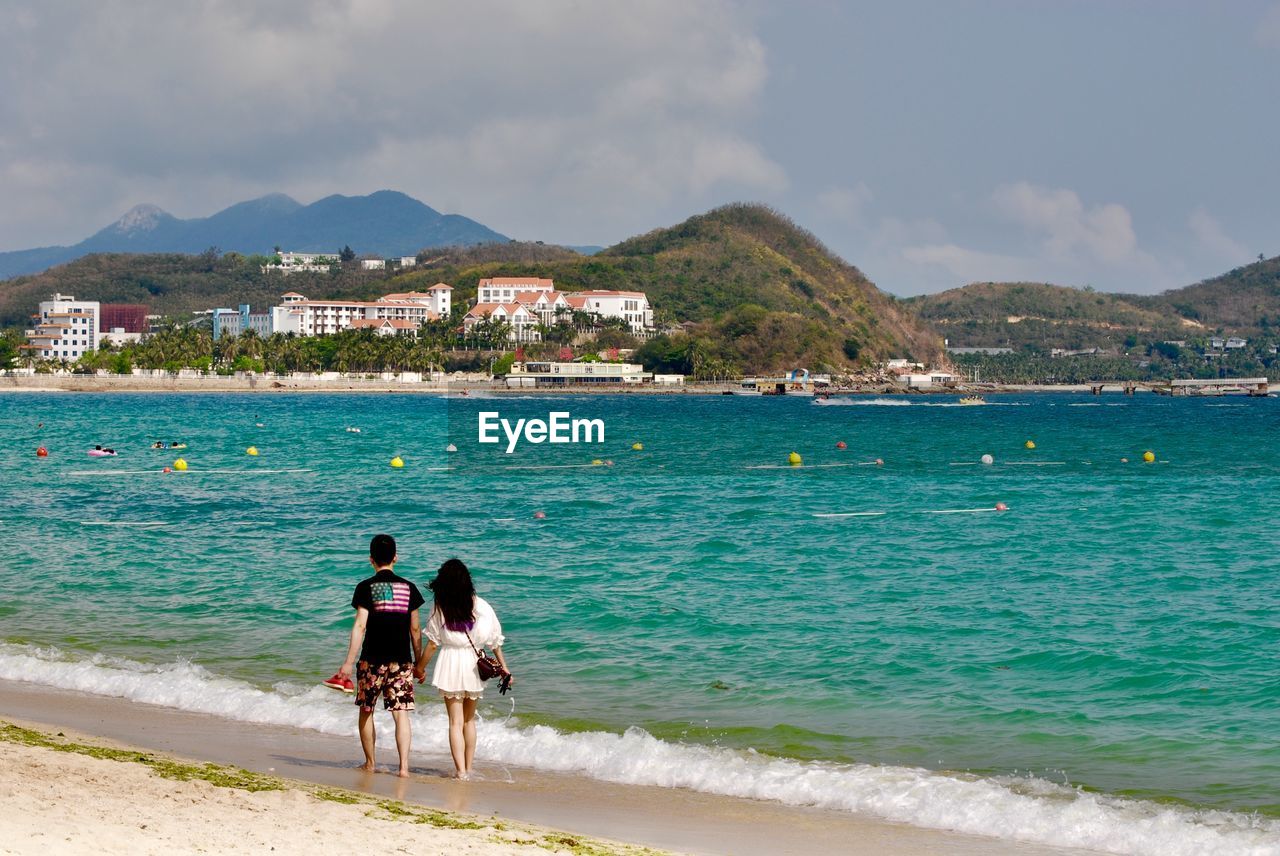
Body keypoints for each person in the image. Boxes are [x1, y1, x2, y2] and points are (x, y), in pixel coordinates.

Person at [333, 534, 424, 778]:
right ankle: (404, 767)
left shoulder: (365, 588)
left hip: (372, 658)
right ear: (395, 557)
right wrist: (418, 663)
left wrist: (348, 663)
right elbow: (415, 629)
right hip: (402, 660)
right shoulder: (409, 588)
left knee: (366, 709)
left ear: (371, 559)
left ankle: (370, 763)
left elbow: (360, 627)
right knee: (400, 713)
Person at [415, 559, 512, 780]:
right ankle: (468, 768)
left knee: (454, 722)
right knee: (469, 721)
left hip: (451, 661)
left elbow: (432, 643)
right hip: (474, 663)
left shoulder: (440, 606)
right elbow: (494, 641)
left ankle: (460, 771)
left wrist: (419, 667)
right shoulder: (482, 605)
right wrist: (504, 668)